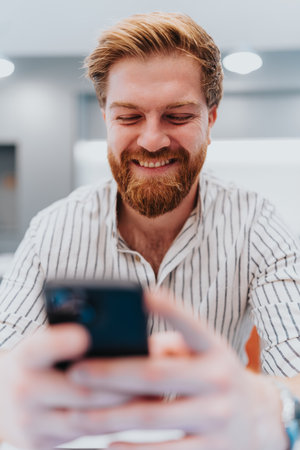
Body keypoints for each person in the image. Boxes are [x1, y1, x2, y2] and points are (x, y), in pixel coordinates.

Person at [0, 11, 300, 450]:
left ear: (211, 119)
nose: (153, 140)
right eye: (129, 117)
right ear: (104, 116)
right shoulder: (52, 230)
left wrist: (273, 409)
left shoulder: (258, 225)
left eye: (177, 116)